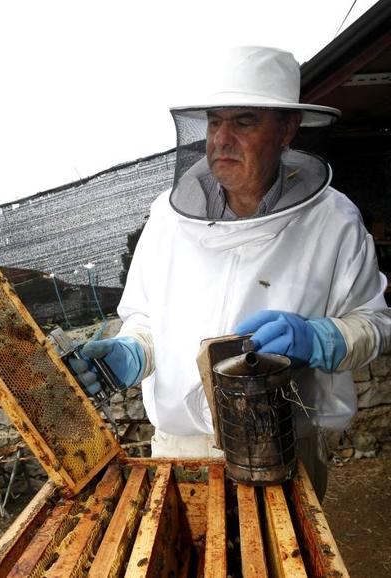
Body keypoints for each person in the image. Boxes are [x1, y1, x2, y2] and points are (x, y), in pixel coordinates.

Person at [72, 46, 391, 501]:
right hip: (178, 451)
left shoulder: (334, 220)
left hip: (283, 452)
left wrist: (322, 340)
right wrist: (128, 353)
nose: (221, 139)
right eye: (214, 121)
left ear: (287, 129)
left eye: (243, 122)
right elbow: (147, 321)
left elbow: (376, 324)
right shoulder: (166, 218)